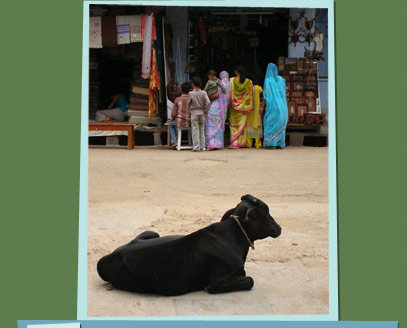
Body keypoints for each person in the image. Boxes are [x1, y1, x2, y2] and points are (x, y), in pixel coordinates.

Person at [262, 63, 288, 149]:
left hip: (273, 107)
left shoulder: (268, 80)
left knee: (270, 123)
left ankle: (271, 143)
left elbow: (267, 95)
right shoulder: (281, 80)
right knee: (280, 124)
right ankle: (280, 143)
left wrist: (262, 107)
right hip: (283, 107)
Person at [228, 66, 254, 148]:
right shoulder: (249, 82)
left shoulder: (231, 81)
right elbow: (250, 95)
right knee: (243, 125)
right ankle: (241, 143)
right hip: (244, 108)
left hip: (233, 107)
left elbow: (229, 93)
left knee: (234, 124)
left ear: (236, 72)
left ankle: (234, 143)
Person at [205, 71, 231, 150]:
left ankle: (211, 144)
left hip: (214, 107)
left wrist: (208, 98)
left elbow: (216, 95)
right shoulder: (229, 86)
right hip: (222, 109)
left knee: (211, 124)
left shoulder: (219, 85)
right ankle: (218, 144)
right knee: (218, 126)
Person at [187, 76, 211, 152]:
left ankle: (196, 147)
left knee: (195, 130)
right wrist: (205, 110)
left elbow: (188, 103)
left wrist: (189, 110)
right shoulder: (204, 92)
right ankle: (203, 147)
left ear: (192, 84)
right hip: (202, 112)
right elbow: (208, 102)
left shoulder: (191, 93)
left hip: (194, 113)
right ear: (200, 84)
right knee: (202, 130)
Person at [168, 82, 191, 149]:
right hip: (190, 122)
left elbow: (173, 113)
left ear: (181, 90)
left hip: (179, 122)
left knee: (171, 124)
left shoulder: (177, 99)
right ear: (189, 90)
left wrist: (172, 119)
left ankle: (174, 141)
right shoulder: (192, 99)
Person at [246, 84, 264, 149]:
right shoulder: (257, 88)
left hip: (249, 110)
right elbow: (265, 94)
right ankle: (257, 144)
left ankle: (249, 144)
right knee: (257, 125)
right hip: (256, 110)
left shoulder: (247, 87)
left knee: (248, 126)